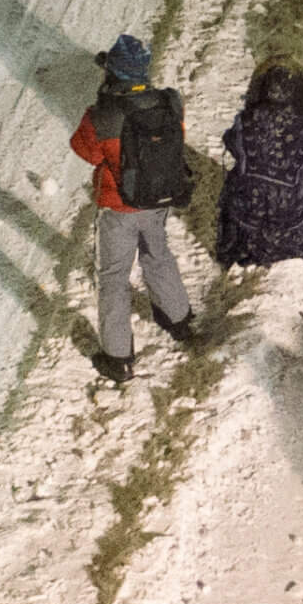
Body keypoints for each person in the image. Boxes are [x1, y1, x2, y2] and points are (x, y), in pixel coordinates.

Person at [70, 33, 195, 384]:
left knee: (113, 278)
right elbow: (177, 136)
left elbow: (85, 151)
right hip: (159, 201)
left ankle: (119, 357)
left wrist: (99, 105)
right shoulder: (171, 101)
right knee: (158, 254)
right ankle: (179, 319)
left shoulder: (102, 115)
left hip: (118, 208)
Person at [214, 59, 303, 268]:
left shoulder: (246, 119)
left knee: (232, 190)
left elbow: (231, 144)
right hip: (289, 211)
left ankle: (239, 247)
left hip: (247, 208)